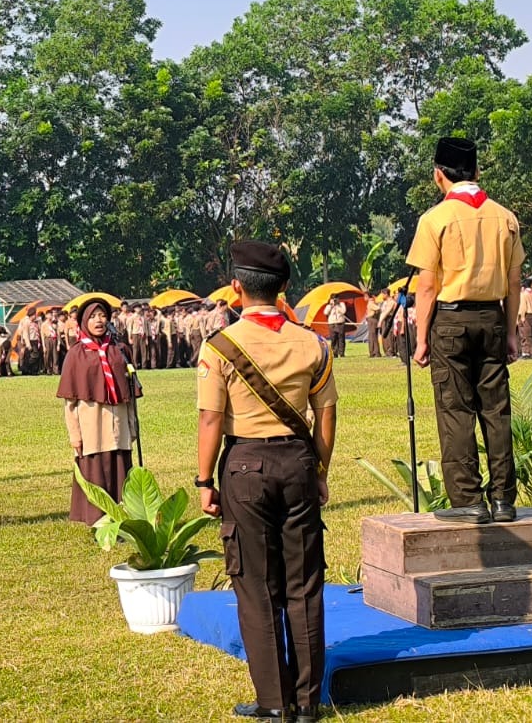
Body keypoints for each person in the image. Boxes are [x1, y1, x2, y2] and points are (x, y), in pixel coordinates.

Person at [195, 239, 336, 723]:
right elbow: (326, 414)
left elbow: (211, 421)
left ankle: (274, 701)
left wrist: (203, 481)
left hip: (245, 467)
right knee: (304, 584)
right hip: (298, 462)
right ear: (285, 288)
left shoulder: (220, 346)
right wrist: (319, 469)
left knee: (255, 586)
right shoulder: (313, 343)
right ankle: (307, 701)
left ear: (237, 288)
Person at [409, 136, 524, 524]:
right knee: (496, 409)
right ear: (476, 171)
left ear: (438, 175)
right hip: (492, 317)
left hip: (450, 320)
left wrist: (422, 337)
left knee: (455, 410)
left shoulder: (434, 219)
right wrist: (510, 332)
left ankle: (468, 500)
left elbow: (426, 285)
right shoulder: (505, 217)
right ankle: (504, 499)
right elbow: (513, 281)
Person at [58, 296, 137, 525]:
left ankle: (124, 516)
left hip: (118, 423)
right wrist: (75, 435)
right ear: (83, 321)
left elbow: (130, 395)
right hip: (91, 425)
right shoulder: (76, 354)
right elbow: (70, 402)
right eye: (92, 316)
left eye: (102, 315)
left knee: (120, 465)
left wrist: (132, 426)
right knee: (95, 466)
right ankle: (97, 517)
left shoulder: (119, 350)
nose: (99, 320)